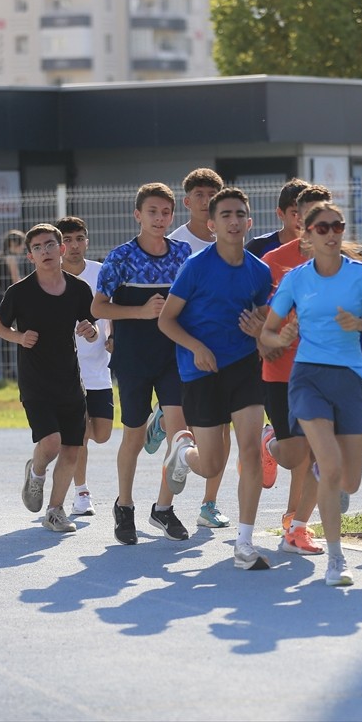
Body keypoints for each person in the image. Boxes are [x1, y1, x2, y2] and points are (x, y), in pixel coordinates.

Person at [260, 202, 362, 587]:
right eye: (323, 228)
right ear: (307, 234)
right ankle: (337, 560)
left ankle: (324, 471)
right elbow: (267, 333)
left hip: (351, 380)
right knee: (332, 464)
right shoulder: (295, 279)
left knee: (348, 482)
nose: (332, 233)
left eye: (337, 226)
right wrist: (281, 337)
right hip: (308, 379)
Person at [158, 187, 275, 570]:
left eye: (240, 214)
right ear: (211, 224)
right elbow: (166, 320)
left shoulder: (259, 271)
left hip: (243, 367)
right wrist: (196, 347)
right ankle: (181, 450)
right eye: (225, 215)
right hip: (201, 370)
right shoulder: (195, 266)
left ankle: (244, 543)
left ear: (249, 222)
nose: (233, 221)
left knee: (251, 452)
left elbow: (264, 324)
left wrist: (261, 329)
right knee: (209, 465)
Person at [91, 183, 193, 545]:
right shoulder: (120, 258)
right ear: (138, 215)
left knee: (180, 433)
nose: (160, 218)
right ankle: (125, 505)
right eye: (152, 211)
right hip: (133, 358)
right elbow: (98, 307)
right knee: (133, 437)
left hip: (173, 355)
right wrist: (139, 311)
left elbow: (192, 299)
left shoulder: (182, 254)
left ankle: (163, 509)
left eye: (166, 212)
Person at [0, 223, 99, 534]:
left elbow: (90, 327)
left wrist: (90, 331)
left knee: (71, 449)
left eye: (50, 244)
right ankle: (36, 472)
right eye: (37, 247)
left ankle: (54, 511)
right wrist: (19, 336)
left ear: (62, 249)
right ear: (30, 256)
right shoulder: (19, 292)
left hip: (69, 381)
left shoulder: (78, 289)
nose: (45, 251)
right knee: (50, 443)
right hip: (35, 381)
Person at [249, 184, 336, 557]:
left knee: (321, 455)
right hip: (281, 371)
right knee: (294, 455)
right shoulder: (273, 261)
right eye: (309, 214)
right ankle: (271, 443)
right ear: (296, 218)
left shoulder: (343, 260)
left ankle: (297, 529)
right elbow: (257, 320)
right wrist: (270, 341)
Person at [167, 167, 252, 528]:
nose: (205, 201)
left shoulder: (248, 256)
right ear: (188, 202)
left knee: (227, 434)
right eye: (199, 195)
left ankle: (209, 503)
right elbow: (170, 310)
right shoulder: (179, 246)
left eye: (211, 194)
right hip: (191, 354)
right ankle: (175, 439)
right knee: (208, 439)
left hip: (236, 357)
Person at [56, 215, 114, 517]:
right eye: (67, 240)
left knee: (102, 433)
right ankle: (81, 492)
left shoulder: (102, 272)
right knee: (78, 433)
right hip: (65, 372)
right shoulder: (49, 277)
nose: (74, 246)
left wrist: (112, 334)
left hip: (98, 369)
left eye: (79, 239)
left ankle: (64, 438)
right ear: (58, 245)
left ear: (86, 241)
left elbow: (112, 309)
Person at [0, 229, 28, 380]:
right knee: (20, 332)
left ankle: (7, 370)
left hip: (1, 298)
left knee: (5, 334)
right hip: (12, 300)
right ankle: (18, 369)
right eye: (21, 245)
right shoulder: (11, 259)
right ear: (13, 243)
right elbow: (17, 281)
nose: (23, 249)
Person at [245, 177, 310, 258]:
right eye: (295, 214)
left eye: (307, 213)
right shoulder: (258, 247)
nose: (302, 219)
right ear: (280, 214)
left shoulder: (320, 249)